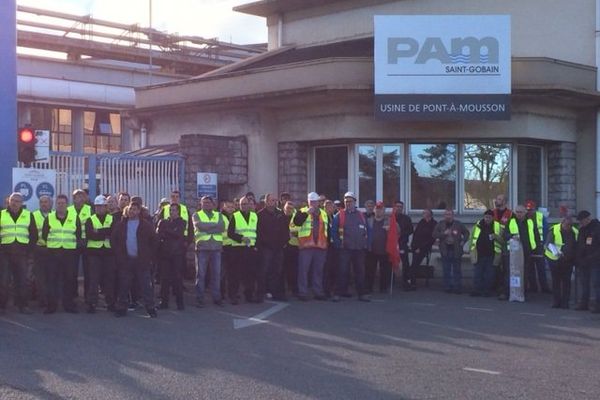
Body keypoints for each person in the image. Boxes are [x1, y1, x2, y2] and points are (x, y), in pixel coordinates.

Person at [111, 201, 158, 318]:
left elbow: (154, 241)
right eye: (131, 209)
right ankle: (121, 308)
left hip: (141, 261)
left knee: (146, 286)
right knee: (123, 286)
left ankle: (150, 308)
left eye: (135, 209)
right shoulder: (121, 224)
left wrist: (149, 256)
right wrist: (119, 256)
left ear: (139, 211)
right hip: (126, 260)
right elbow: (114, 240)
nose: (132, 211)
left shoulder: (146, 225)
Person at [42, 194, 81, 314]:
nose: (61, 205)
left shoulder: (74, 217)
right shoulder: (50, 217)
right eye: (58, 203)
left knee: (69, 279)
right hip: (53, 253)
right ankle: (51, 306)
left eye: (63, 203)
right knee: (52, 280)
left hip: (69, 253)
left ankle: (68, 305)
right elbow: (44, 234)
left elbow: (78, 234)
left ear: (67, 204)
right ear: (55, 205)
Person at [0, 192, 38, 314]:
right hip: (5, 253)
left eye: (17, 201)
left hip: (22, 253)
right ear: (8, 201)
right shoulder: (2, 215)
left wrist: (29, 250)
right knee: (3, 281)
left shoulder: (28, 215)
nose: (15, 203)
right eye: (13, 200)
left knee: (22, 281)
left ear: (22, 203)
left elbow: (33, 234)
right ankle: (2, 306)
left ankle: (22, 305)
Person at [332, 191, 370, 302]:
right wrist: (338, 244)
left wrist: (366, 244)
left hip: (359, 249)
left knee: (360, 272)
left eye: (350, 201)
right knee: (342, 271)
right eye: (346, 201)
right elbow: (334, 231)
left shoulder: (361, 215)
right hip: (345, 248)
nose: (348, 203)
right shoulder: (339, 215)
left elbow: (367, 230)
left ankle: (362, 294)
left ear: (355, 202)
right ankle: (338, 293)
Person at [292, 192, 329, 301]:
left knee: (318, 270)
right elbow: (295, 224)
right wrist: (306, 213)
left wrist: (327, 243)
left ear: (318, 202)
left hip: (320, 246)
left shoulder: (323, 213)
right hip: (306, 246)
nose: (313, 204)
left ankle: (318, 292)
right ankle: (302, 292)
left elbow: (327, 229)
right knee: (303, 270)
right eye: (311, 202)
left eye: (315, 202)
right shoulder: (302, 211)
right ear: (308, 202)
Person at [84, 195, 116, 313]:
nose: (99, 209)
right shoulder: (90, 219)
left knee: (109, 279)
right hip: (94, 254)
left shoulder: (112, 219)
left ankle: (110, 303)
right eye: (97, 207)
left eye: (102, 206)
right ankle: (92, 303)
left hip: (108, 253)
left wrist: (98, 231)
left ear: (106, 207)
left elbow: (113, 234)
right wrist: (105, 233)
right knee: (94, 280)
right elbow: (90, 235)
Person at [193, 196, 225, 307]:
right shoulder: (196, 215)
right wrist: (214, 226)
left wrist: (208, 227)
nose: (206, 204)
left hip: (216, 248)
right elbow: (200, 226)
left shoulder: (219, 215)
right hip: (202, 248)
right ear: (201, 204)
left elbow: (222, 227)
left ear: (213, 204)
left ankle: (216, 298)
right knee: (201, 275)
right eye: (204, 203)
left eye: (208, 202)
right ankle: (199, 298)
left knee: (216, 274)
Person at [257, 193, 289, 301]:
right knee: (264, 270)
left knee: (277, 271)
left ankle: (276, 292)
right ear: (266, 201)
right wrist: (262, 245)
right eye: (271, 200)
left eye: (275, 200)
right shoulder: (260, 215)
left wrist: (284, 242)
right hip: (266, 248)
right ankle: (262, 292)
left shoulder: (280, 214)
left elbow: (285, 229)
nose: (273, 202)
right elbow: (259, 232)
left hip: (279, 248)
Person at [227, 196, 259, 304]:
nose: (245, 206)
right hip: (237, 249)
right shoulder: (235, 216)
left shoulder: (255, 215)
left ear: (250, 204)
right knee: (235, 274)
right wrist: (241, 238)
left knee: (250, 273)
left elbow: (258, 232)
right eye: (242, 204)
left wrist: (256, 246)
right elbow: (230, 233)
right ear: (239, 206)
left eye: (246, 204)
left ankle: (249, 295)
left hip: (250, 249)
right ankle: (233, 296)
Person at [156, 203, 188, 310]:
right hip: (165, 254)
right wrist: (170, 231)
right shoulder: (164, 222)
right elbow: (159, 234)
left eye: (174, 210)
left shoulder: (182, 222)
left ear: (178, 211)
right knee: (164, 279)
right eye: (170, 210)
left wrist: (167, 231)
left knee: (177, 278)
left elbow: (178, 234)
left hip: (177, 254)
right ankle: (164, 302)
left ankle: (180, 303)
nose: (172, 212)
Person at [506, 205, 541, 300]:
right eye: (517, 212)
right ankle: (513, 292)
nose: (518, 214)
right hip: (514, 253)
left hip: (527, 251)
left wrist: (537, 249)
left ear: (525, 212)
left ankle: (523, 291)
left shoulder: (530, 222)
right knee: (514, 273)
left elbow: (536, 236)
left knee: (526, 272)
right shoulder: (511, 221)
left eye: (520, 212)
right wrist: (511, 235)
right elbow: (505, 235)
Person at [433, 208, 469, 294]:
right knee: (446, 269)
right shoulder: (441, 224)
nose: (448, 216)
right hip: (445, 250)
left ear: (453, 215)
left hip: (456, 249)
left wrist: (463, 241)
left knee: (457, 270)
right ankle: (447, 286)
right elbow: (434, 234)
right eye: (446, 214)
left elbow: (466, 233)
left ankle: (457, 287)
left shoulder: (458, 224)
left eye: (449, 214)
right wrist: (443, 234)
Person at [545, 215, 578, 309]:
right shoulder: (554, 230)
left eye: (570, 225)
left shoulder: (574, 232)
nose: (569, 227)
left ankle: (565, 303)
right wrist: (557, 253)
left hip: (568, 260)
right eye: (567, 225)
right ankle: (556, 302)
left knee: (566, 282)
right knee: (556, 281)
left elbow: (576, 246)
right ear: (562, 222)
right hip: (554, 259)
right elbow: (548, 244)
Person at [470, 210, 502, 297]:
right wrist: (471, 251)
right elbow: (472, 238)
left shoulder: (497, 226)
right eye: (486, 217)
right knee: (478, 273)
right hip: (479, 254)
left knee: (489, 275)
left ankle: (486, 291)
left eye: (489, 217)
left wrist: (496, 236)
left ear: (493, 218)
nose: (487, 219)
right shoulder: (478, 225)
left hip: (492, 254)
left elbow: (502, 240)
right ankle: (476, 290)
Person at [68, 188, 92, 299]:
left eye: (83, 196)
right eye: (79, 196)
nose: (81, 199)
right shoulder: (69, 210)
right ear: (74, 198)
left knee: (88, 271)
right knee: (72, 270)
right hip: (73, 242)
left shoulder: (90, 209)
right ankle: (73, 294)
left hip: (87, 242)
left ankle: (88, 296)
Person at [574, 210, 600, 313]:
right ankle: (584, 303)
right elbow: (579, 245)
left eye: (582, 220)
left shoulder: (597, 229)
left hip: (595, 261)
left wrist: (592, 257)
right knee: (584, 283)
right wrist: (578, 258)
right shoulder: (582, 230)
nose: (580, 223)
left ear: (587, 219)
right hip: (583, 261)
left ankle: (597, 305)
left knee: (596, 283)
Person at [365, 201, 393, 293]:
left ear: (384, 210)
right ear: (374, 210)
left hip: (385, 250)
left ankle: (383, 288)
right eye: (377, 209)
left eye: (380, 209)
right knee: (370, 270)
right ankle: (368, 287)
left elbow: (397, 232)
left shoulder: (388, 220)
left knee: (385, 271)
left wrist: (392, 228)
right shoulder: (369, 220)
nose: (378, 211)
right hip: (371, 250)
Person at [31, 195, 53, 307]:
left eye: (46, 202)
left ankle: (51, 299)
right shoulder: (33, 216)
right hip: (39, 249)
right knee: (40, 277)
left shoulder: (55, 215)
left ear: (51, 203)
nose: (44, 204)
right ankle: (42, 300)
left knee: (52, 276)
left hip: (53, 250)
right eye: (42, 202)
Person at [525, 200, 550, 293]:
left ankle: (544, 287)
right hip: (530, 246)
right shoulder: (525, 218)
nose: (529, 212)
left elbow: (546, 230)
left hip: (539, 245)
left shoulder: (540, 217)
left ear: (534, 209)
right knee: (530, 268)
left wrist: (544, 244)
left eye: (531, 210)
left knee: (541, 268)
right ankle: (533, 287)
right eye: (527, 210)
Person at [408, 209, 437, 290]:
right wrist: (413, 246)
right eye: (423, 213)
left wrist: (420, 248)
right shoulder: (421, 222)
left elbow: (431, 238)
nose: (423, 214)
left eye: (425, 213)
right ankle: (411, 281)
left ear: (430, 214)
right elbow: (416, 235)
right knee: (414, 264)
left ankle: (412, 282)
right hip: (416, 247)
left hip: (424, 248)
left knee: (415, 265)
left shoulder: (433, 224)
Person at [492, 194, 513, 300]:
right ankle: (497, 289)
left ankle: (505, 291)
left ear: (504, 202)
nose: (497, 201)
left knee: (505, 270)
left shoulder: (510, 214)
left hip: (505, 245)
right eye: (497, 199)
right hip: (494, 245)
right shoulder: (493, 212)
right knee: (496, 269)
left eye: (499, 199)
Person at [394, 201, 414, 290]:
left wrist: (401, 234)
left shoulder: (406, 218)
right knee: (390, 262)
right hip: (392, 244)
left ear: (402, 208)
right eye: (397, 206)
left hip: (402, 243)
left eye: (400, 207)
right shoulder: (391, 218)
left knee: (405, 263)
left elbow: (410, 230)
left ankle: (406, 282)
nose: (399, 208)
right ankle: (391, 281)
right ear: (394, 207)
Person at [283, 200, 299, 297]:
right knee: (283, 269)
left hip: (294, 246)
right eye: (287, 208)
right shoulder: (280, 217)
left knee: (294, 269)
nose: (289, 210)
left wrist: (293, 233)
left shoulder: (296, 217)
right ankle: (284, 289)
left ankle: (293, 288)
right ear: (284, 208)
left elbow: (299, 231)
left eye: (291, 208)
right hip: (284, 246)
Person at [323, 199, 337, 298]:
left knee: (332, 268)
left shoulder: (333, 217)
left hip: (333, 246)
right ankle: (326, 290)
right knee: (326, 269)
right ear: (327, 207)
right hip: (325, 246)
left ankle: (331, 289)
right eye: (332, 207)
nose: (334, 208)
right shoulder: (323, 217)